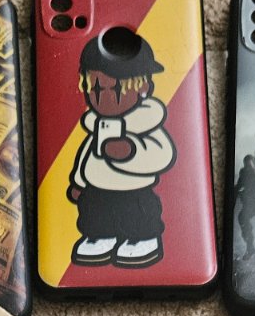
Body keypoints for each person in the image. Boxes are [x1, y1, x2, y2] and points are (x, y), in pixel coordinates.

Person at [68, 34, 176, 268]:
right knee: (93, 212)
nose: (103, 97)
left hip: (134, 190)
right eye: (96, 89)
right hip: (97, 189)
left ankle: (142, 239)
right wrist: (78, 182)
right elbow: (86, 155)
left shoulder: (146, 124)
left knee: (139, 214)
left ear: (143, 87)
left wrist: (131, 151)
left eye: (116, 89)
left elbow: (162, 154)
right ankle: (99, 237)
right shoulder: (96, 126)